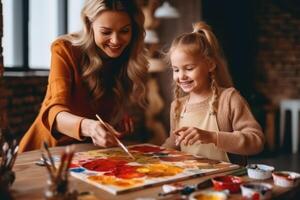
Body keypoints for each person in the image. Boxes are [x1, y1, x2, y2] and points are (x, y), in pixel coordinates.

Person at [19, 0, 148, 152]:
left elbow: (102, 114)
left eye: (124, 31)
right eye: (106, 32)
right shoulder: (64, 49)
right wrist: (91, 128)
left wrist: (115, 125)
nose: (116, 40)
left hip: (88, 154)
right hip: (47, 152)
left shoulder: (126, 58)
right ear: (89, 25)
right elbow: (54, 113)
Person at [163, 21, 264, 165]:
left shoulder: (229, 99)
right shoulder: (177, 105)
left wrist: (212, 137)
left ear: (210, 65)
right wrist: (153, 156)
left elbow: (257, 141)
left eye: (189, 68)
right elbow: (174, 142)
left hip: (228, 181)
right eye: (176, 69)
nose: (181, 76)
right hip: (191, 181)